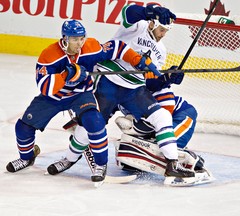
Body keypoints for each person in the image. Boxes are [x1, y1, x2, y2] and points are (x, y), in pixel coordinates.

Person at [6, 19, 164, 184]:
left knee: (95, 122)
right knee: (23, 127)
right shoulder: (49, 55)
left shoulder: (90, 47)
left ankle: (100, 165)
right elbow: (45, 86)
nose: (79, 43)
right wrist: (66, 76)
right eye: (75, 39)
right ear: (65, 39)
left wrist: (139, 60)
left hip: (80, 95)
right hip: (53, 98)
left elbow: (118, 47)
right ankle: (27, 158)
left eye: (82, 38)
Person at [53, 3, 196, 184]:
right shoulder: (137, 26)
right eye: (161, 29)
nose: (163, 34)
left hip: (135, 91)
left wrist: (167, 78)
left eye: (166, 31)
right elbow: (128, 11)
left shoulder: (161, 50)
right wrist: (147, 12)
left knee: (163, 118)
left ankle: (172, 164)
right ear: (152, 23)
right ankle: (68, 159)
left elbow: (151, 81)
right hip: (108, 86)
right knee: (89, 125)